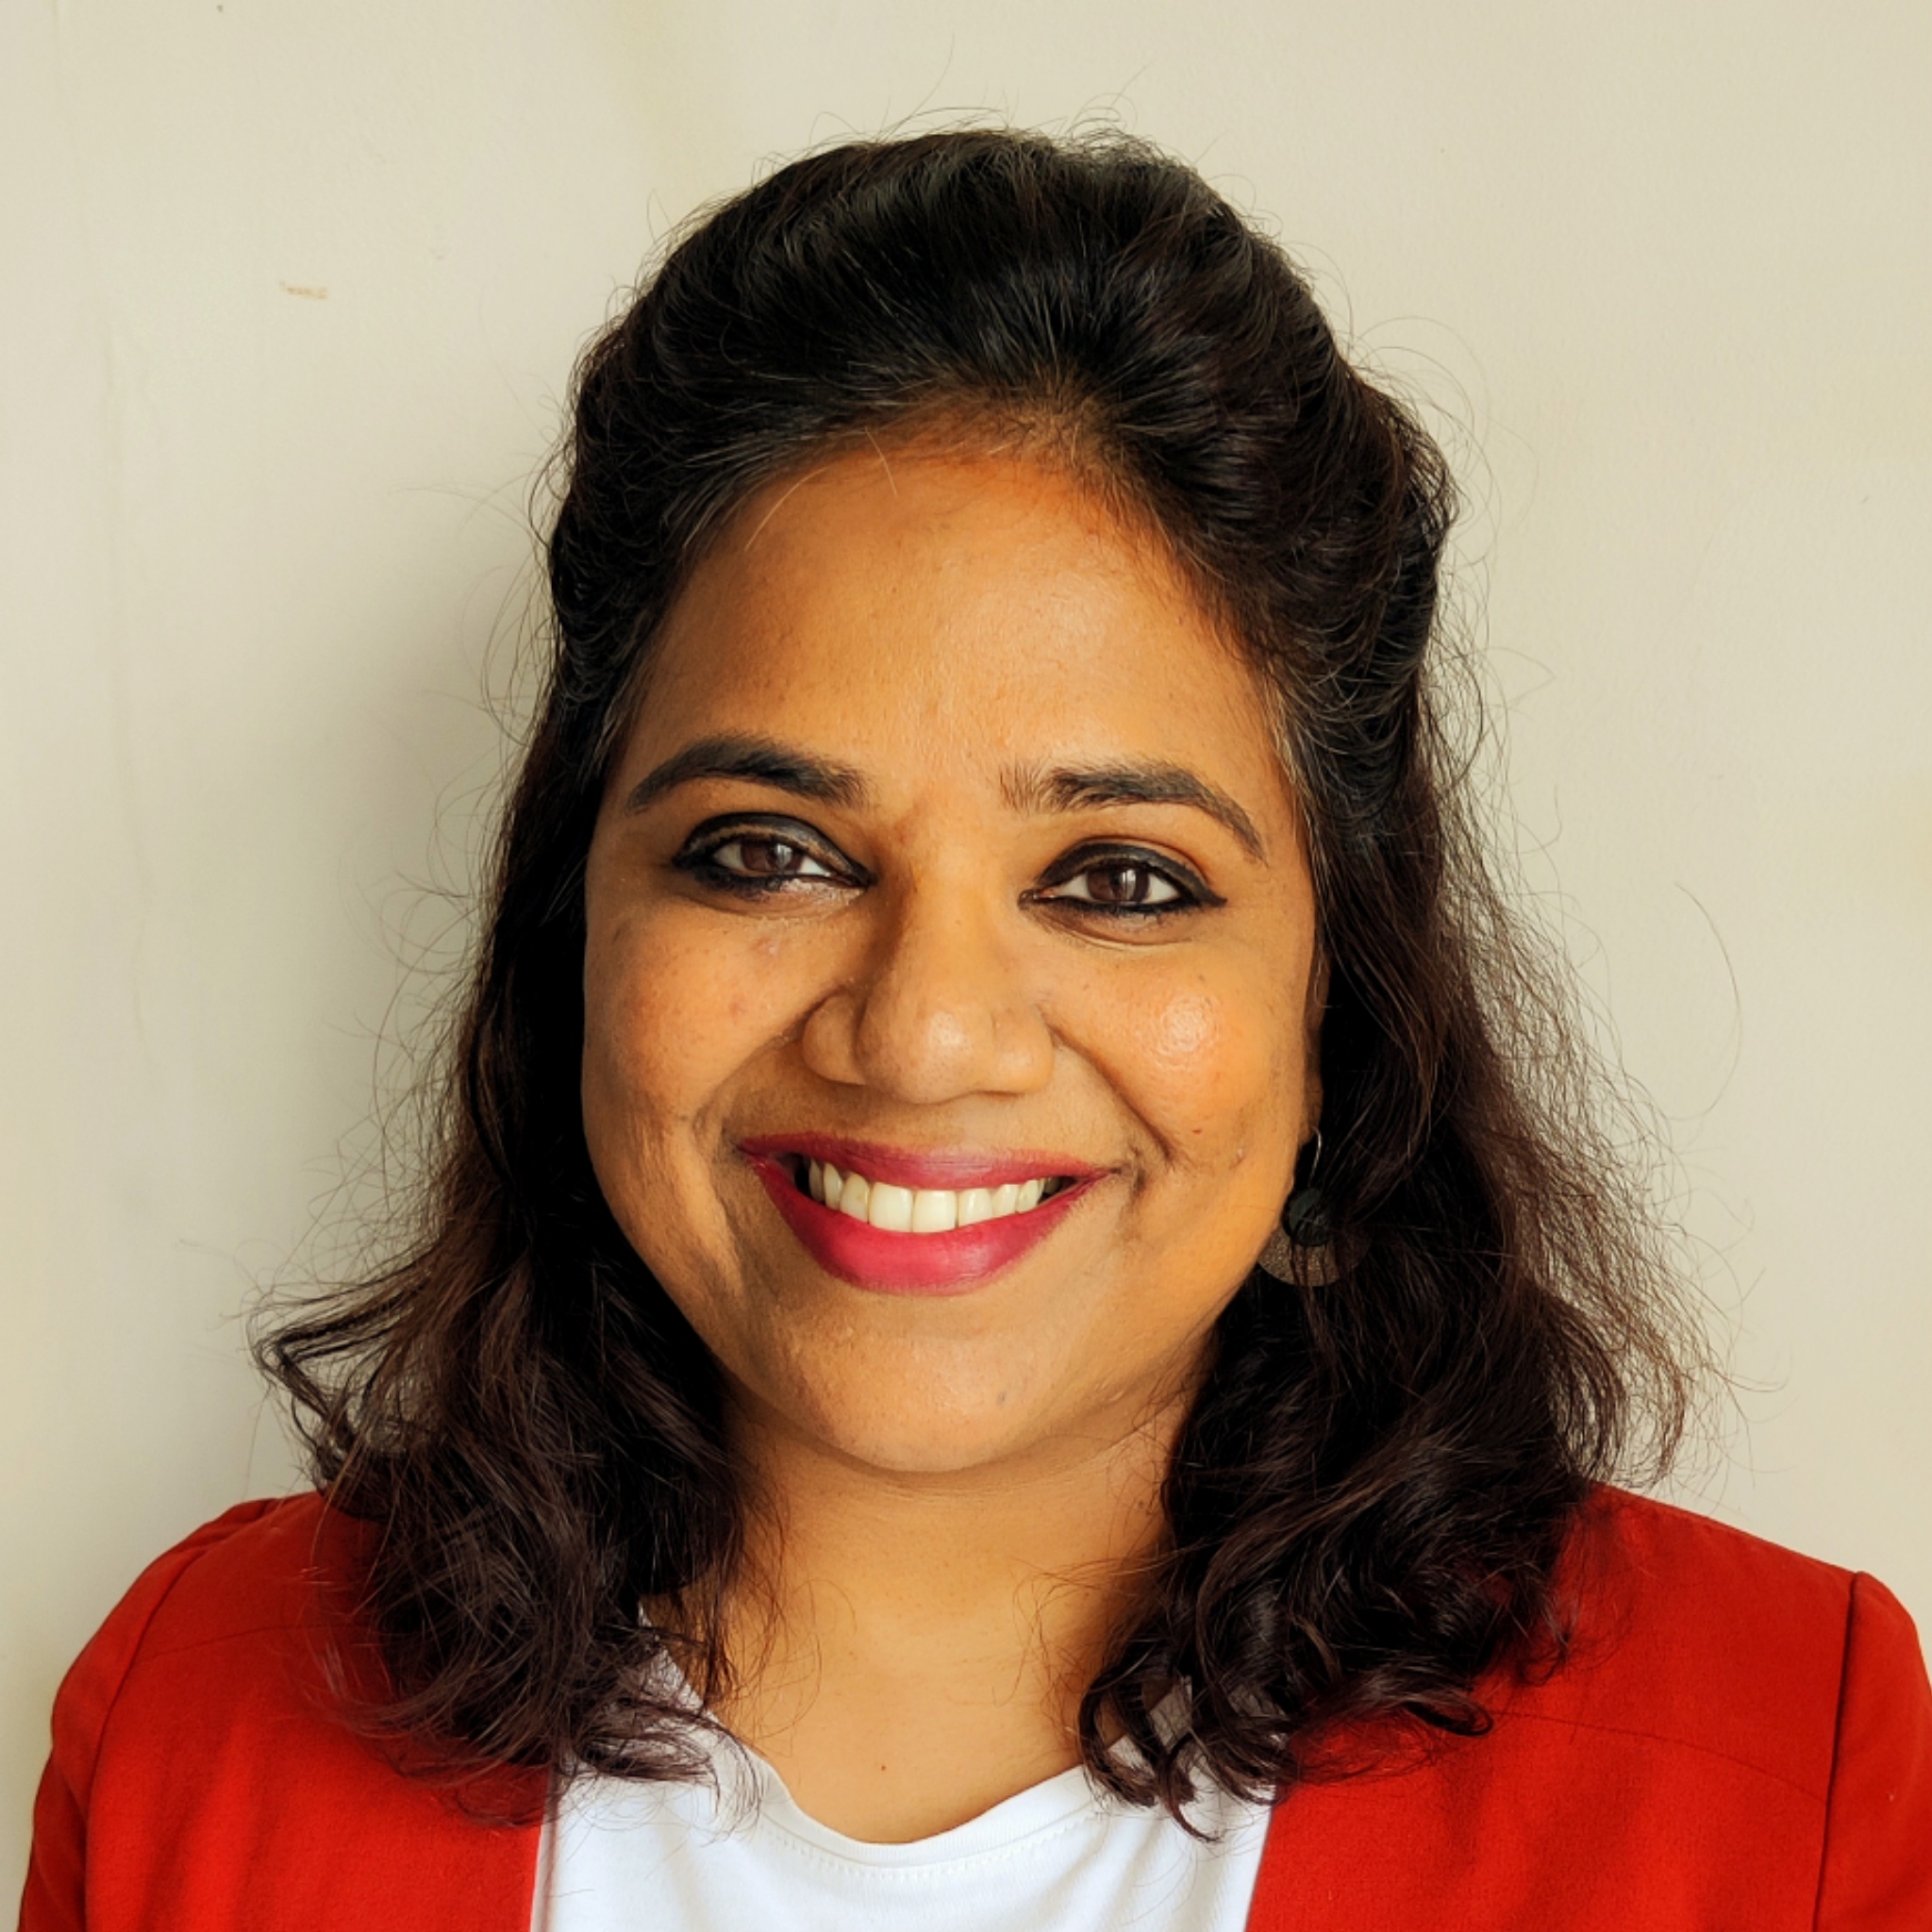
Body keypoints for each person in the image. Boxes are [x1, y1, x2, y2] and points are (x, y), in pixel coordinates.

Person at [19, 128, 1932, 1932]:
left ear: (1338, 1000)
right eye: (768, 851)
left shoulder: (1789, 1778)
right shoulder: (199, 1713)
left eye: (1120, 876)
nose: (924, 1034)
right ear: (573, 930)